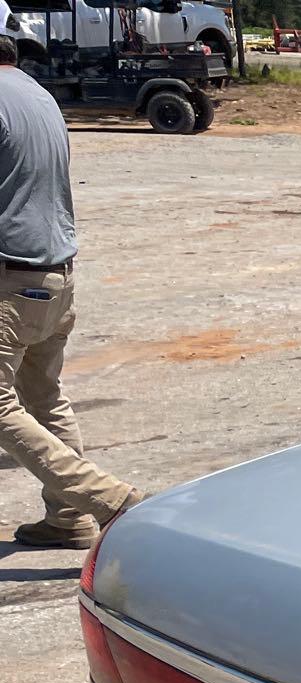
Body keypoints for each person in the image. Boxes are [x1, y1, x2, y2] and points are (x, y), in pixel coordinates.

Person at [1, 33, 143, 549]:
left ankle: (109, 500)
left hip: (11, 280)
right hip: (55, 276)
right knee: (44, 396)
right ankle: (67, 518)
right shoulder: (37, 95)